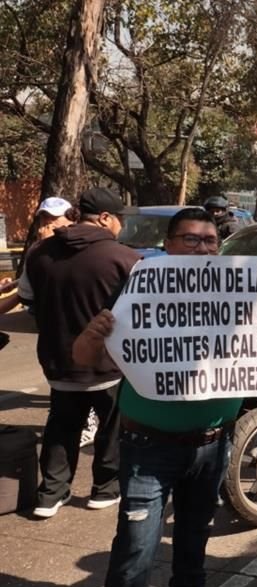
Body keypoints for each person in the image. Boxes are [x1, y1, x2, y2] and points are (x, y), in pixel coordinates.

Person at [73, 207, 257, 587]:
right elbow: (86, 359)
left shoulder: (238, 294)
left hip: (214, 444)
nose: (203, 247)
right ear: (168, 245)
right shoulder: (139, 290)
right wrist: (92, 337)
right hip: (148, 447)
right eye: (191, 239)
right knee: (136, 544)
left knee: (194, 532)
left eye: (209, 240)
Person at [19, 188, 140, 519]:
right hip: (109, 364)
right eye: (120, 220)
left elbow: (28, 301)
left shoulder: (38, 253)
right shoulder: (124, 258)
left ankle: (50, 494)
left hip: (58, 363)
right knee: (112, 425)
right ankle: (105, 488)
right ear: (104, 218)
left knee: (62, 426)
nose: (121, 227)